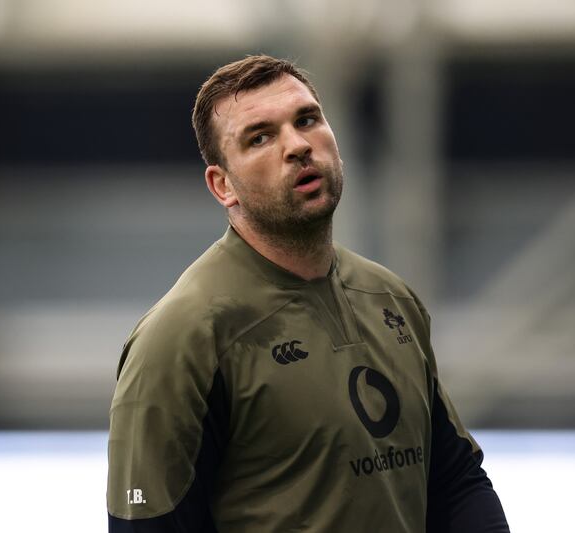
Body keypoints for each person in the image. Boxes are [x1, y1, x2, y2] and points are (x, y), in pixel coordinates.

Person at [107, 55, 510, 532]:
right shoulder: (184, 336)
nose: (297, 145)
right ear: (222, 186)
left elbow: (455, 482)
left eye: (307, 119)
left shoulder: (391, 298)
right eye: (260, 137)